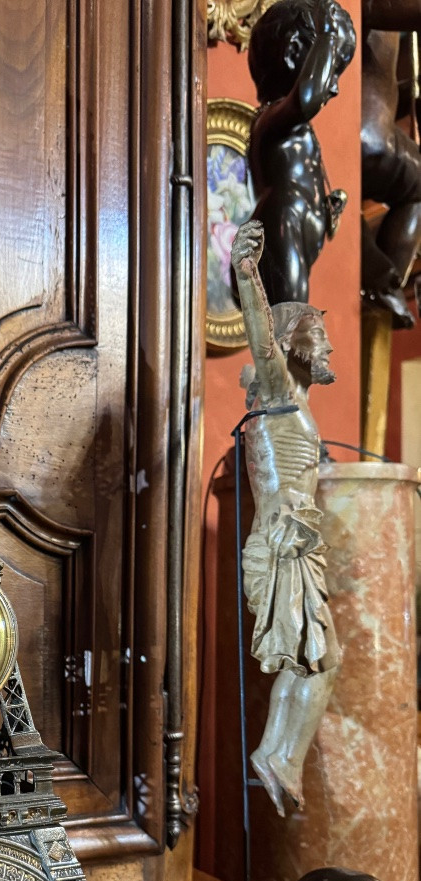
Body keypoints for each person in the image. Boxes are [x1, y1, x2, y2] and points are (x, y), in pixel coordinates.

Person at [230, 219, 342, 816]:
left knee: (312, 661)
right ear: (294, 342)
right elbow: (260, 339)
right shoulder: (277, 390)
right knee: (322, 662)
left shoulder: (294, 408)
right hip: (282, 544)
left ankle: (275, 756)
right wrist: (248, 277)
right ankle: (279, 759)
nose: (327, 348)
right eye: (319, 336)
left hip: (294, 541)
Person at [245, 0, 356, 305]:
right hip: (283, 223)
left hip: (299, 227)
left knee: (297, 332)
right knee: (294, 331)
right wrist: (328, 35)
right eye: (330, 70)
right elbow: (308, 98)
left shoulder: (292, 126)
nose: (333, 88)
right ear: (294, 53)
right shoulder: (270, 120)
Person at [361, 0, 421, 327]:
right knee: (418, 187)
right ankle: (386, 281)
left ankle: (380, 277)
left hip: (365, 133)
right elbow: (369, 8)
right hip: (367, 134)